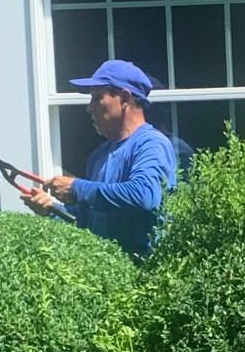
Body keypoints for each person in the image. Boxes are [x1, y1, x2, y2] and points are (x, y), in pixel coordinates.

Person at [19, 57, 184, 256]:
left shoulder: (151, 144)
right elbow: (86, 221)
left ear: (124, 98)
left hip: (145, 276)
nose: (89, 108)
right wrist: (51, 209)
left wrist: (77, 187)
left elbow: (144, 196)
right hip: (106, 276)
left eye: (97, 97)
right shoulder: (99, 156)